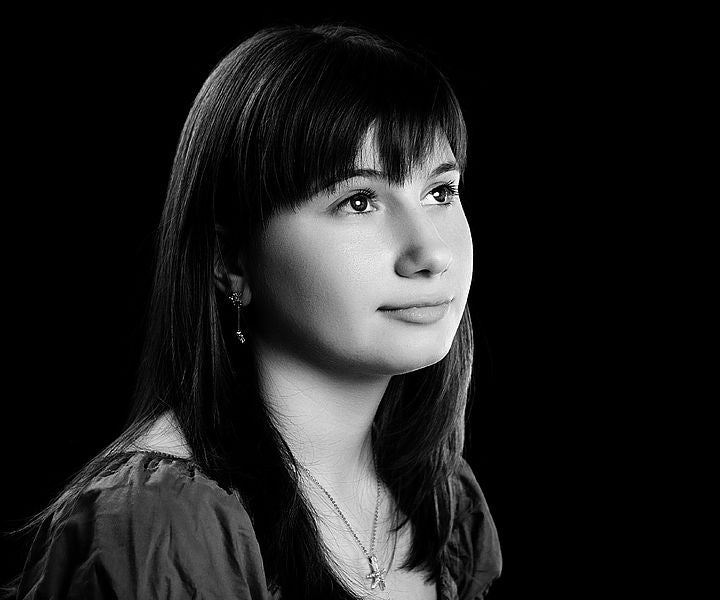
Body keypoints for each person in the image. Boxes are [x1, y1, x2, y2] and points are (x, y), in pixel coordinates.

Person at [3, 23, 501, 600]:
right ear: (231, 261)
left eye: (440, 193)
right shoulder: (166, 526)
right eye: (358, 201)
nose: (430, 254)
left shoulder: (444, 504)